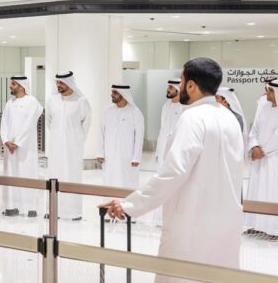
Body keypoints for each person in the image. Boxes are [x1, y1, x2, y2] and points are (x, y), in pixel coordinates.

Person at [99, 57, 244, 283]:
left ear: (191, 85)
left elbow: (173, 172)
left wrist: (129, 205)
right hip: (226, 223)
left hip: (193, 223)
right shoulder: (229, 117)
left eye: (182, 78)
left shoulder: (193, 118)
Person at [244, 79, 278, 241]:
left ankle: (276, 231)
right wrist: (254, 146)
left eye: (270, 91)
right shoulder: (263, 107)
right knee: (257, 192)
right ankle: (257, 227)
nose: (266, 93)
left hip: (276, 160)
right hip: (260, 157)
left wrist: (262, 151)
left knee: (274, 193)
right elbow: (254, 128)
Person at [45, 71, 91, 220]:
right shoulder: (52, 100)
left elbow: (86, 122)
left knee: (72, 176)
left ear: (70, 83)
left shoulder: (81, 101)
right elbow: (49, 121)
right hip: (56, 146)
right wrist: (59, 136)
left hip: (73, 148)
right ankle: (54, 210)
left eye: (61, 83)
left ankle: (73, 212)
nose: (58, 85)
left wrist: (77, 140)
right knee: (55, 175)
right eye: (57, 82)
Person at [0, 76, 43, 217]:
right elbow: (4, 124)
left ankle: (30, 207)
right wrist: (6, 140)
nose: (10, 86)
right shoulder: (9, 103)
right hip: (9, 148)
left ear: (21, 85)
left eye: (13, 84)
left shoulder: (33, 102)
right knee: (11, 174)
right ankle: (11, 206)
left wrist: (17, 143)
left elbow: (29, 124)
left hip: (25, 148)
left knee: (27, 173)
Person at [97, 85, 145, 189]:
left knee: (127, 182)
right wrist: (100, 153)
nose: (112, 95)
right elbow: (100, 132)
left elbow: (139, 136)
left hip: (127, 156)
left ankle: (125, 204)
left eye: (115, 92)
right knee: (109, 181)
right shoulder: (106, 111)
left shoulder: (135, 112)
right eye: (112, 92)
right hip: (109, 155)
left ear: (123, 94)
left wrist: (136, 157)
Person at [155, 79, 184, 165]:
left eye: (171, 87)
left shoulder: (184, 107)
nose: (167, 90)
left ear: (178, 90)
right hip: (163, 149)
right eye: (168, 87)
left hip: (177, 151)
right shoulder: (166, 106)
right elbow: (162, 129)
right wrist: (158, 151)